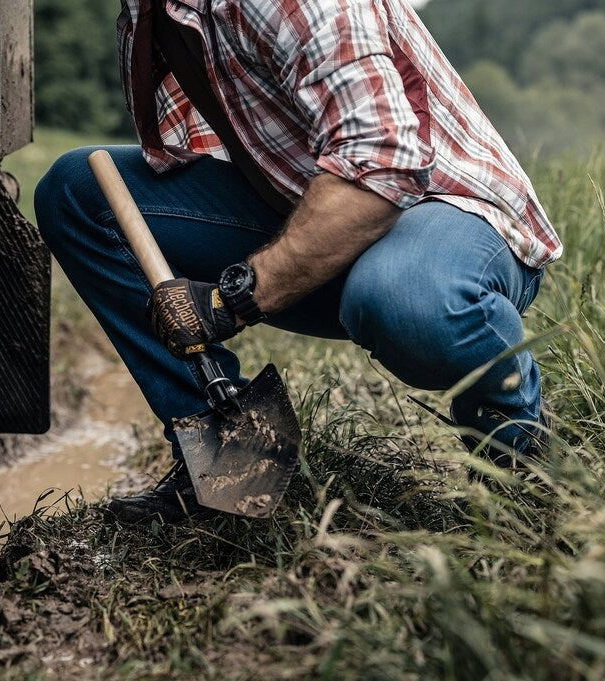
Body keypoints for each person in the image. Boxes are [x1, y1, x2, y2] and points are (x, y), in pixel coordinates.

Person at [35, 0, 563, 523]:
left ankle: (514, 449)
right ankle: (233, 453)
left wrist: (232, 300)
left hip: (447, 212)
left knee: (406, 299)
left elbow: (385, 166)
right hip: (319, 201)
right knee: (79, 193)